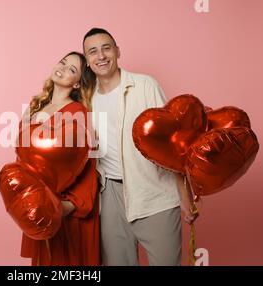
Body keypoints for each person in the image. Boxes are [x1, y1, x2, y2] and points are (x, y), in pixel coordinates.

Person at [82, 28, 198, 266]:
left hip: (153, 191)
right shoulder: (86, 99)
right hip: (111, 195)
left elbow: (170, 142)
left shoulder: (145, 85)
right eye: (93, 51)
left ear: (117, 51)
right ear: (87, 61)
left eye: (106, 48)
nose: (101, 56)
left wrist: (186, 193)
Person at [18, 51, 100, 266]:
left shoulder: (78, 113)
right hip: (38, 204)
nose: (63, 68)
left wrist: (67, 206)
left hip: (64, 209)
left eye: (72, 69)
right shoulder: (35, 107)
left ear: (76, 84)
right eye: (62, 62)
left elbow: (87, 165)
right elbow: (24, 157)